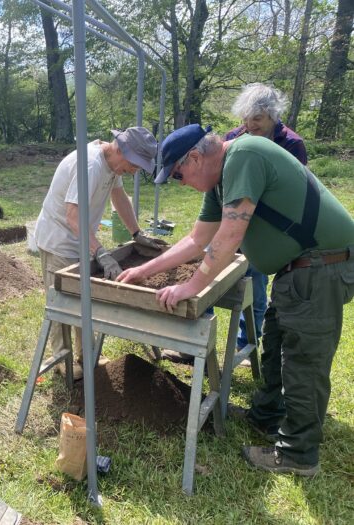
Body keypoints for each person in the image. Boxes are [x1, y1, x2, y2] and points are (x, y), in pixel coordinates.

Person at [120, 124, 354, 476]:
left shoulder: (244, 156)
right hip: (299, 270)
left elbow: (230, 235)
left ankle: (298, 455)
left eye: (179, 174)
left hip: (323, 265)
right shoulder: (221, 180)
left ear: (196, 157)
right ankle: (267, 415)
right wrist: (143, 271)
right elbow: (197, 240)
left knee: (303, 361)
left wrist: (192, 286)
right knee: (275, 342)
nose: (181, 183)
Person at [34, 127, 161, 380]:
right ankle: (63, 358)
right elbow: (72, 215)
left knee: (84, 298)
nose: (135, 171)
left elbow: (119, 197)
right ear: (121, 150)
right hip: (58, 239)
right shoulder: (91, 165)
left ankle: (86, 354)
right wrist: (100, 251)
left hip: (81, 238)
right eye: (135, 165)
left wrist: (136, 233)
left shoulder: (113, 166)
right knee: (61, 301)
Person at [227, 83, 308, 357]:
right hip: (233, 219)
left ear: (273, 115)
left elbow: (295, 191)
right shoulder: (234, 137)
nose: (250, 125)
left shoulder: (292, 144)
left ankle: (245, 348)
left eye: (257, 119)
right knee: (208, 276)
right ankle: (195, 346)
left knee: (255, 288)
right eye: (246, 119)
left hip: (264, 227)